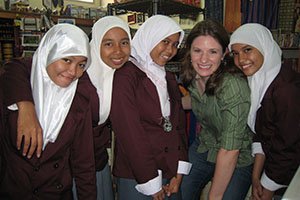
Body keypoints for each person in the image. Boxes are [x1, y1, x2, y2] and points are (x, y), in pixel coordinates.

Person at [0, 24, 96, 199]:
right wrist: (26, 106)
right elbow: (12, 67)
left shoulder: (79, 102)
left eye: (81, 64)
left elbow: (84, 163)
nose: (74, 72)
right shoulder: (18, 89)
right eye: (66, 60)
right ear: (49, 53)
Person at [109, 15, 192, 200]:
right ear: (151, 37)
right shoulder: (126, 76)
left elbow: (178, 127)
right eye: (165, 41)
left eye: (175, 44)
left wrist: (179, 171)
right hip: (137, 175)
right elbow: (130, 134)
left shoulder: (169, 78)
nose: (170, 50)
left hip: (169, 170)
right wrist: (151, 182)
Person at [180, 19, 253, 200]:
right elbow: (199, 101)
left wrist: (215, 196)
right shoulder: (194, 76)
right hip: (206, 144)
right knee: (179, 191)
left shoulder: (232, 85)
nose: (204, 59)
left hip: (238, 155)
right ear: (189, 52)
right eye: (197, 51)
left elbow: (230, 150)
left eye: (213, 52)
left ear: (223, 54)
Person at [229, 23, 300, 200]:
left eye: (247, 50)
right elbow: (263, 133)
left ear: (263, 47)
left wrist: (268, 187)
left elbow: (288, 147)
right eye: (235, 53)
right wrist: (256, 176)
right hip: (274, 167)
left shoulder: (286, 89)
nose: (241, 59)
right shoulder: (260, 80)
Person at [72, 16, 131, 200]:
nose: (118, 51)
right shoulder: (78, 77)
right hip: (76, 169)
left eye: (124, 42)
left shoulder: (118, 75)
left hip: (99, 162)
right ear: (96, 44)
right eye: (108, 44)